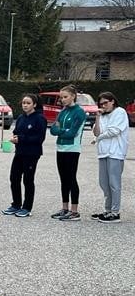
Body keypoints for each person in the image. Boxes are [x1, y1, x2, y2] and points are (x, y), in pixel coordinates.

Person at [2, 94, 47, 218]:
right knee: (14, 178)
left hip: (32, 153)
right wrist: (15, 137)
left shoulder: (40, 118)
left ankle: (27, 207)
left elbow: (39, 138)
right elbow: (16, 131)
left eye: (28, 103)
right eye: (23, 103)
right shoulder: (21, 118)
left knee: (28, 180)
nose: (25, 105)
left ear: (34, 105)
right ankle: (16, 204)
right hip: (20, 152)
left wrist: (21, 139)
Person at [49, 84, 87, 221]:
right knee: (63, 179)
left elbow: (72, 133)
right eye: (61, 97)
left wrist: (61, 131)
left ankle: (74, 211)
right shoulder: (63, 112)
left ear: (73, 96)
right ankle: (64, 208)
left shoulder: (79, 112)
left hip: (72, 149)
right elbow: (53, 130)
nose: (62, 100)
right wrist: (62, 131)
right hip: (60, 148)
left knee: (71, 179)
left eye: (65, 97)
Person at [91, 91, 129, 223]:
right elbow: (96, 132)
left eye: (105, 103)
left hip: (115, 152)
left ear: (112, 101)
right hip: (103, 152)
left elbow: (114, 131)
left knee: (114, 183)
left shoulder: (120, 112)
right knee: (104, 183)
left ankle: (115, 212)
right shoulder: (102, 116)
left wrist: (98, 138)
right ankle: (107, 210)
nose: (103, 106)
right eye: (100, 104)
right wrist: (97, 117)